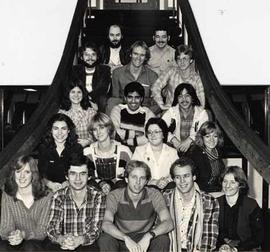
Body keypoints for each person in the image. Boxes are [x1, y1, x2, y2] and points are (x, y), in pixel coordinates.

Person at [98, 160, 174, 252]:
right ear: (126, 179)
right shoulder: (115, 195)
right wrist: (125, 238)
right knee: (105, 239)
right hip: (122, 240)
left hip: (144, 241)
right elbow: (106, 223)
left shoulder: (154, 194)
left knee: (163, 239)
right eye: (134, 177)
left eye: (142, 178)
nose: (138, 182)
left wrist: (149, 236)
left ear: (146, 181)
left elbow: (169, 223)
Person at [47, 153, 106, 251]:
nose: (78, 179)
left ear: (89, 176)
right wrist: (62, 239)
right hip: (65, 243)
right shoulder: (58, 196)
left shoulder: (98, 196)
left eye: (82, 174)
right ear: (67, 176)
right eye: (73, 173)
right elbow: (52, 227)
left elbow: (95, 230)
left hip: (87, 244)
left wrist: (79, 240)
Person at [163, 157, 220, 251]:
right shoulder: (165, 197)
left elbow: (209, 239)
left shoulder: (209, 201)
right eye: (178, 177)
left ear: (194, 177)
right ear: (173, 179)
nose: (182, 181)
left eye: (186, 176)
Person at [0, 155, 51, 250]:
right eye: (18, 172)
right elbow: (5, 227)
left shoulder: (46, 195)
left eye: (27, 172)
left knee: (30, 247)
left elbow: (42, 231)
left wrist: (23, 235)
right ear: (13, 174)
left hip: (39, 242)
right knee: (2, 247)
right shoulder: (8, 194)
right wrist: (12, 235)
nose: (22, 176)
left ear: (33, 175)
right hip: (17, 240)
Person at [217, 166, 264, 252]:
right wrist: (222, 246)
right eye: (225, 181)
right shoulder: (216, 203)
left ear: (240, 184)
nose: (227, 186)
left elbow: (258, 237)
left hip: (247, 248)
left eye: (232, 182)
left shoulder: (251, 205)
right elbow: (213, 232)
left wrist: (235, 249)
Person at [84, 112, 132, 195]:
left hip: (119, 192)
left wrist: (111, 184)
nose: (98, 132)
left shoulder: (124, 152)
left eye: (101, 127)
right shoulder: (87, 153)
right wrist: (102, 184)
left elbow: (132, 175)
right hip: (96, 192)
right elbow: (87, 177)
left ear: (109, 129)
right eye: (95, 129)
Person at [108, 40, 158, 114]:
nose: (138, 58)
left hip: (144, 112)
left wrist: (146, 113)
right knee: (111, 101)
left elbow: (157, 103)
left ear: (146, 58)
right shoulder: (117, 73)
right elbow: (115, 99)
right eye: (135, 54)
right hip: (123, 110)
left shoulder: (152, 76)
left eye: (142, 55)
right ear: (130, 54)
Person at [37, 113, 83, 192]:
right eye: (56, 128)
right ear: (50, 130)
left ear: (69, 130)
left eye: (63, 128)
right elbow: (40, 173)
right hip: (48, 189)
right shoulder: (43, 148)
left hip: (72, 188)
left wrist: (68, 182)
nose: (59, 132)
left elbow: (80, 172)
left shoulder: (77, 148)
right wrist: (49, 184)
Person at [152, 44, 205, 111]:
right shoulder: (171, 71)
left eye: (184, 58)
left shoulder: (196, 78)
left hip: (188, 114)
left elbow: (201, 103)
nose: (182, 62)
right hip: (170, 112)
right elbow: (155, 87)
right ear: (176, 61)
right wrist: (162, 105)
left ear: (191, 60)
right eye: (179, 59)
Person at [132, 117, 178, 190]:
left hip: (167, 189)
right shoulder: (139, 151)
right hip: (145, 189)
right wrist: (152, 182)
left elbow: (177, 173)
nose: (152, 135)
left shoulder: (172, 152)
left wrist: (166, 181)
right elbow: (133, 174)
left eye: (156, 132)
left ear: (163, 134)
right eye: (149, 132)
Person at [162, 83, 209, 153]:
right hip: (175, 148)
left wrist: (190, 140)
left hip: (196, 149)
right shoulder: (171, 112)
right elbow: (160, 128)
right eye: (180, 96)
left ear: (192, 97)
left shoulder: (202, 113)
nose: (184, 99)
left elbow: (204, 132)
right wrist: (173, 139)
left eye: (187, 96)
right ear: (177, 99)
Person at [110, 81, 155, 150]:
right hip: (119, 149)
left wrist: (128, 141)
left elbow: (151, 136)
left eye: (137, 97)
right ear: (125, 98)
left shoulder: (147, 112)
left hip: (140, 150)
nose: (133, 101)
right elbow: (113, 132)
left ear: (141, 99)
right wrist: (134, 133)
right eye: (130, 97)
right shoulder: (117, 109)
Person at [187, 121, 225, 195]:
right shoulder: (195, 153)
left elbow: (220, 176)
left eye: (215, 136)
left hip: (216, 190)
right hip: (200, 192)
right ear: (201, 138)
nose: (212, 140)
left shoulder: (218, 151)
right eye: (207, 136)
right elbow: (190, 178)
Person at [72, 41, 111, 112]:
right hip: (80, 99)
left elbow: (102, 88)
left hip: (98, 102)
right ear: (81, 57)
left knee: (103, 99)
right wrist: (88, 100)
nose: (90, 58)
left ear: (97, 56)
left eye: (93, 54)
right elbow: (75, 87)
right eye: (86, 55)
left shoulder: (105, 70)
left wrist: (92, 101)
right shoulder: (75, 70)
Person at [59, 77, 96, 147]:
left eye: (79, 92)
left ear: (83, 94)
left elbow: (98, 133)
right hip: (67, 149)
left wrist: (88, 141)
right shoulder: (61, 113)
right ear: (68, 94)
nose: (76, 95)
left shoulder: (90, 112)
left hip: (87, 149)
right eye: (73, 92)